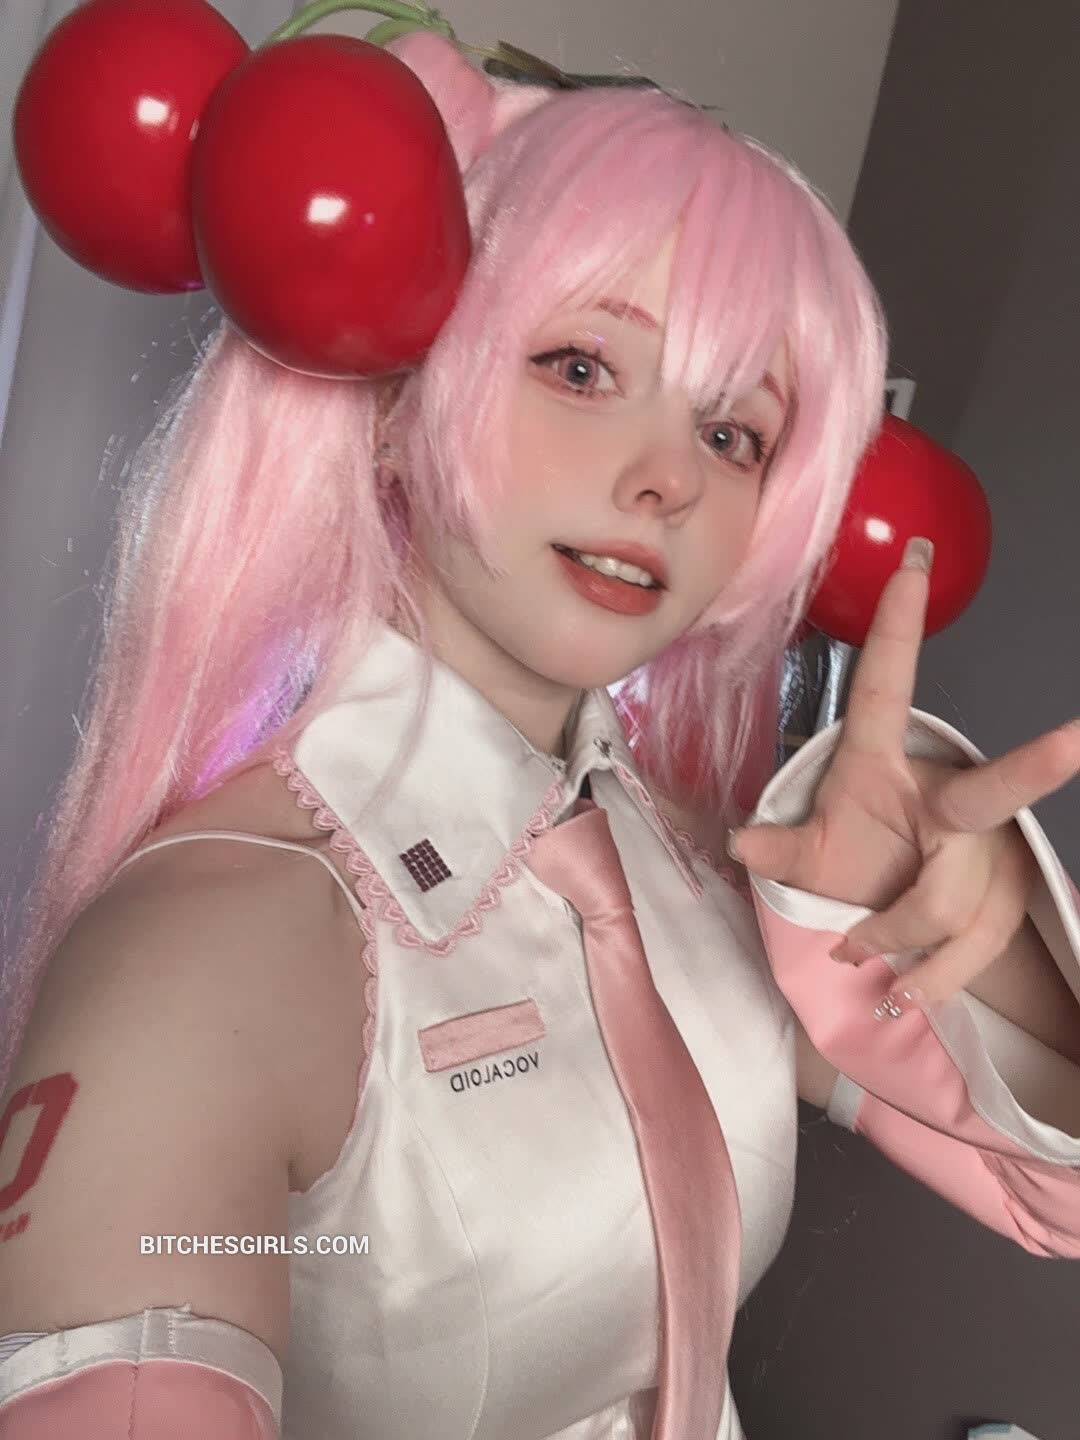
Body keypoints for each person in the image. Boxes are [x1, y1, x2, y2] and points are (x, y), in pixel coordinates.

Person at [1, 28, 1079, 1440]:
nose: (667, 479)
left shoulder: (698, 864)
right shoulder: (206, 962)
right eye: (580, 366)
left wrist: (979, 932)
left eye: (735, 434)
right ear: (395, 406)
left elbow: (1054, 1199)